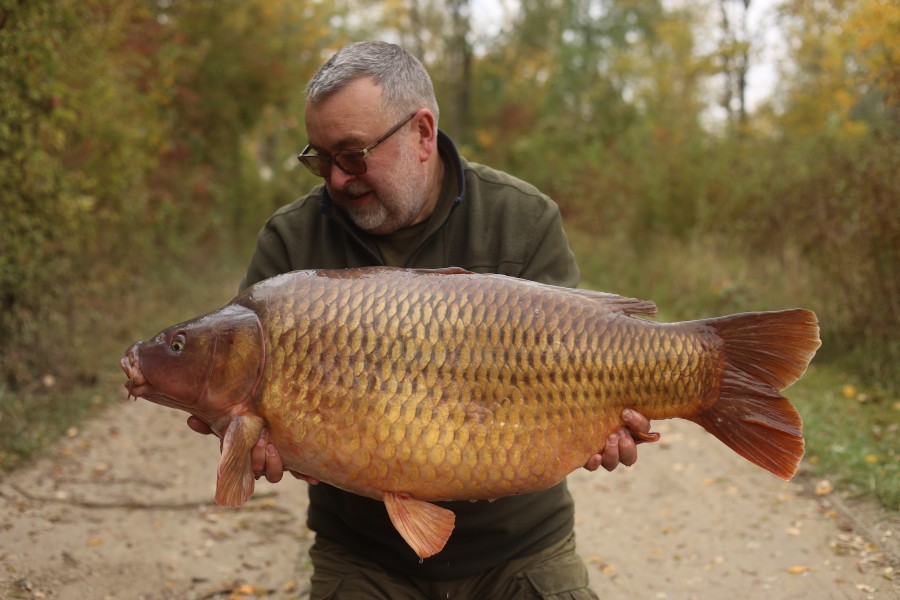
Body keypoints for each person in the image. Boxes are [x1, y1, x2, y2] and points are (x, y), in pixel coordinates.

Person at [188, 40, 652, 599]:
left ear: (423, 133)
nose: (335, 179)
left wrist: (601, 429)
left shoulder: (521, 217)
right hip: (363, 554)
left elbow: (585, 361)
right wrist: (243, 436)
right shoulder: (292, 239)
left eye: (353, 155)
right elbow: (241, 392)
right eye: (319, 159)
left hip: (520, 545)